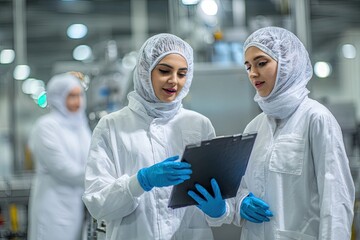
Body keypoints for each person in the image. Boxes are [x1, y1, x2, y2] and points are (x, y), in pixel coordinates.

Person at [189, 26, 356, 239]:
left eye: (261, 63)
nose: (252, 73)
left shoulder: (316, 118)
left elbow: (336, 200)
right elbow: (243, 187)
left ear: (287, 63)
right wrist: (239, 203)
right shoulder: (254, 127)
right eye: (248, 66)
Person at [82, 33, 222, 240]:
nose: (174, 81)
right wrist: (140, 181)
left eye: (182, 74)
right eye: (164, 71)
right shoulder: (111, 126)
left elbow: (217, 196)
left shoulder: (199, 125)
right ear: (145, 71)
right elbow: (98, 203)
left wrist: (220, 209)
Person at [28, 72, 92, 240]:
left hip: (76, 205)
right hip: (53, 206)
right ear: (58, 98)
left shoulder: (81, 125)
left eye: (80, 95)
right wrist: (98, 176)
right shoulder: (46, 126)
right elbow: (61, 168)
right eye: (71, 96)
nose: (78, 102)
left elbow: (93, 158)